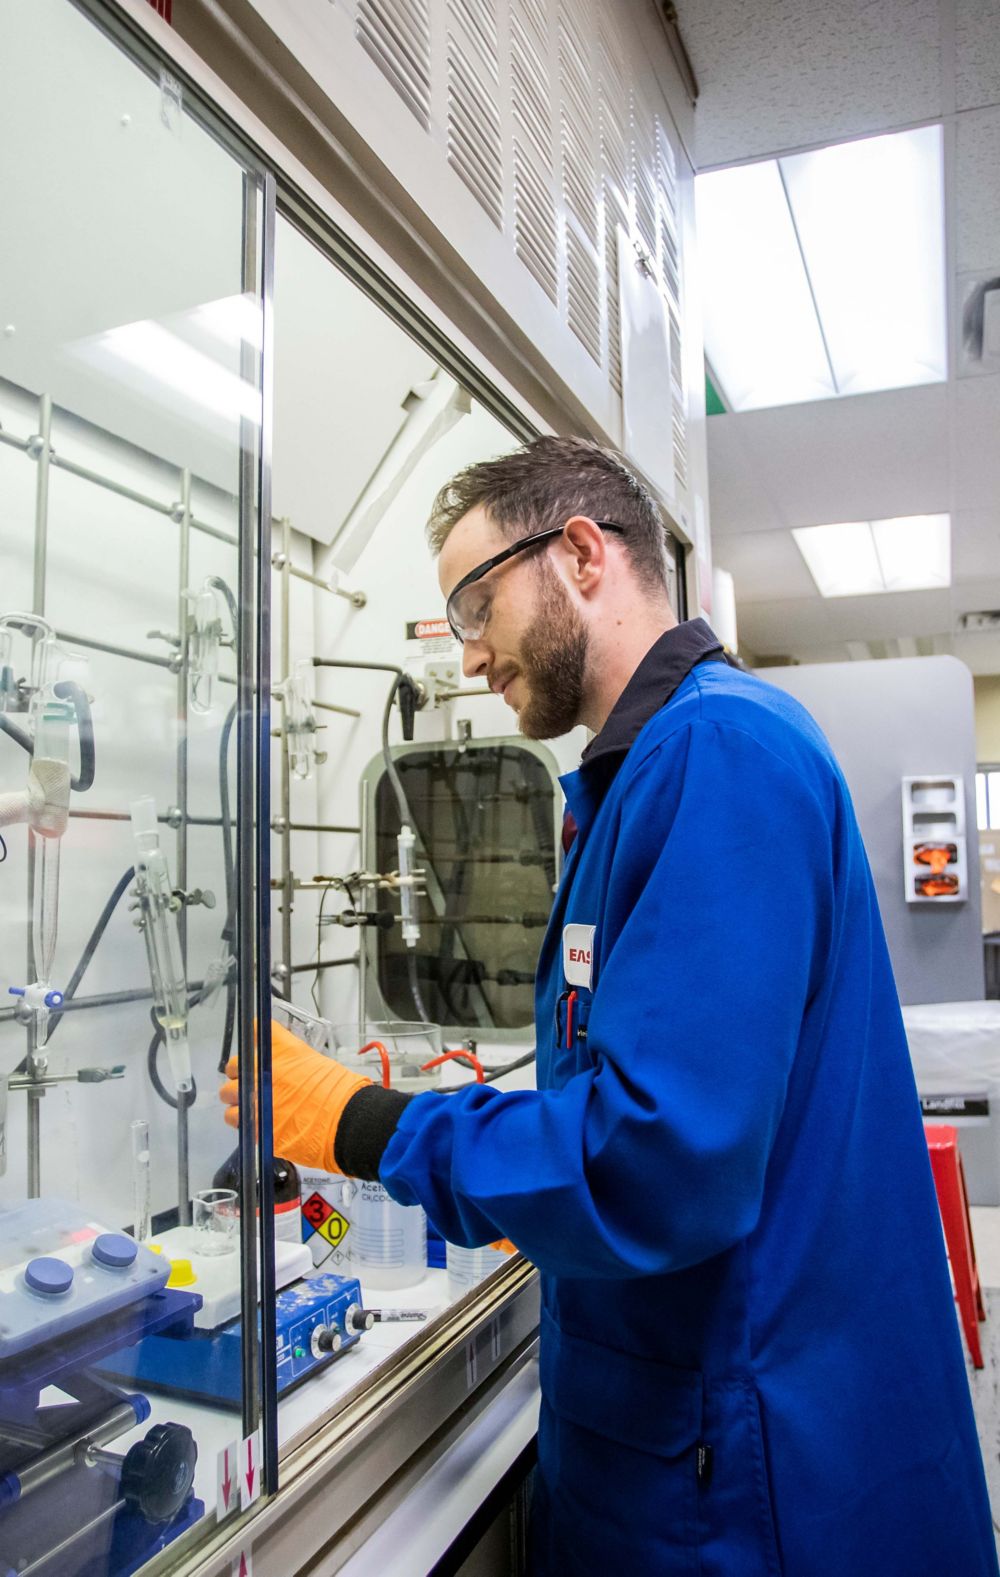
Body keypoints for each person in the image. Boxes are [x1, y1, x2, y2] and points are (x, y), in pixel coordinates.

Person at [222, 437, 997, 1575]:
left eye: (476, 601)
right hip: (693, 1435)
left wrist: (356, 1119)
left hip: (741, 1470)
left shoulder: (716, 753)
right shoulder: (641, 774)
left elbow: (659, 1157)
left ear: (581, 552)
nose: (470, 647)